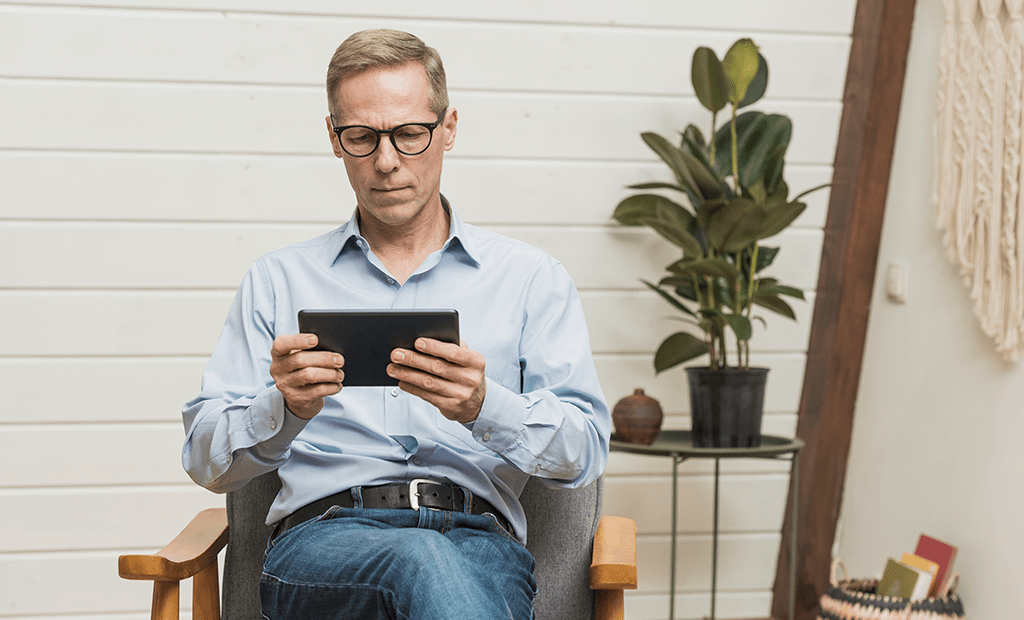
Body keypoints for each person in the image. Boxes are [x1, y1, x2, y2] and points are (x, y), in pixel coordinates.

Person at [182, 28, 610, 620]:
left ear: (448, 128)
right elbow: (205, 461)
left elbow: (585, 453)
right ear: (334, 138)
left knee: (435, 564)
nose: (386, 162)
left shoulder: (532, 280)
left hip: (480, 547)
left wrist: (486, 407)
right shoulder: (276, 280)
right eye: (362, 137)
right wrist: (282, 407)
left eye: (409, 134)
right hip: (323, 546)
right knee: (419, 560)